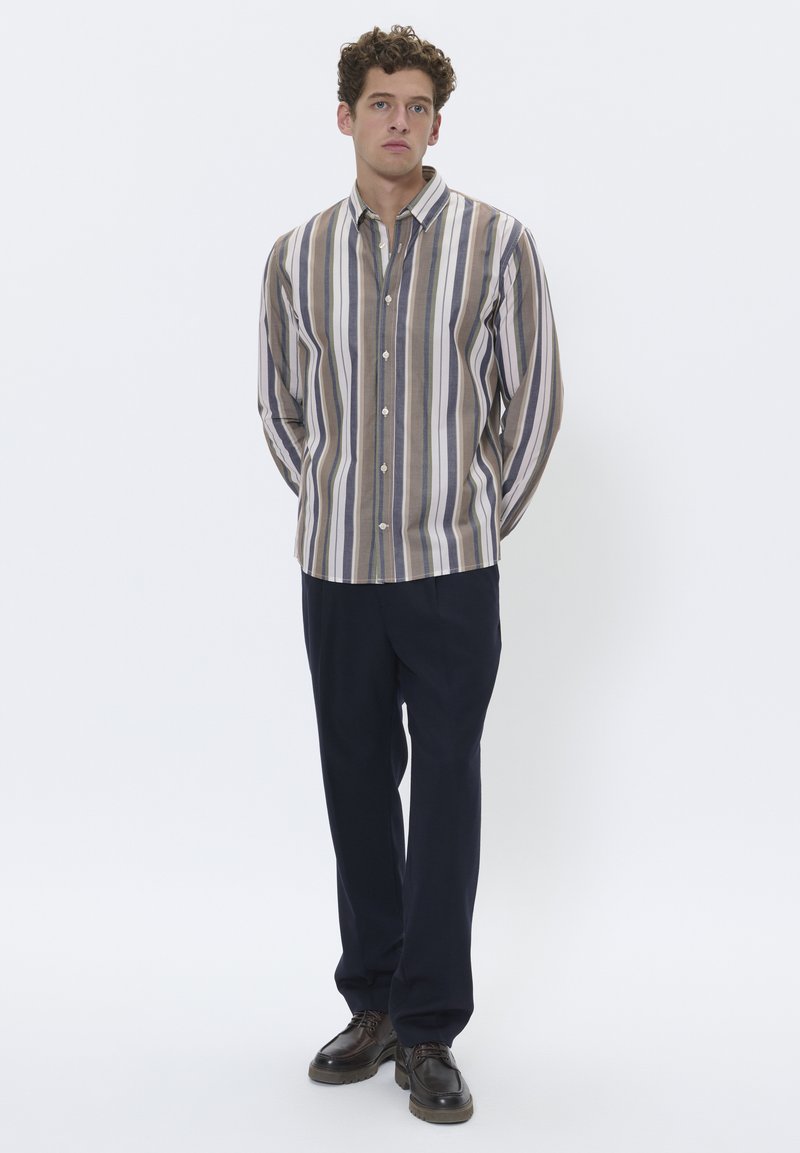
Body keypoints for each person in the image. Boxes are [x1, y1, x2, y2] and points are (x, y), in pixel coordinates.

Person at [257, 24, 563, 1125]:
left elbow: (532, 405)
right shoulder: (295, 256)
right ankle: (373, 1002)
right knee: (354, 781)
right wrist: (332, 501)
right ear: (346, 116)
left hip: (450, 570)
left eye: (418, 106)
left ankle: (430, 1027)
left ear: (437, 123)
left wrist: (471, 514)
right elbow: (282, 410)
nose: (399, 121)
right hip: (337, 569)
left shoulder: (497, 244)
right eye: (381, 103)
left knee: (445, 787)